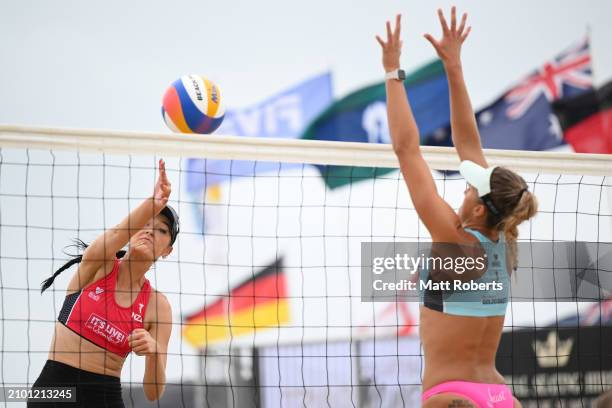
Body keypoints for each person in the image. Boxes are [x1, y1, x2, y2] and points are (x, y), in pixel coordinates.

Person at [376, 8, 537, 408]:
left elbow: (405, 148)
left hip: (452, 396)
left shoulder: (455, 240)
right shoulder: (504, 240)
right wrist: (453, 65)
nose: (463, 191)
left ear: (481, 209)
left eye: (468, 189)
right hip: (500, 396)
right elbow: (468, 144)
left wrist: (393, 72)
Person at [28, 159, 178, 408]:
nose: (150, 231)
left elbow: (153, 393)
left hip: (104, 397)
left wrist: (154, 354)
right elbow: (117, 233)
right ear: (133, 230)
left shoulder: (158, 306)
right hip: (55, 389)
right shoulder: (100, 264)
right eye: (146, 223)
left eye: (162, 230)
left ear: (168, 250)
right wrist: (153, 203)